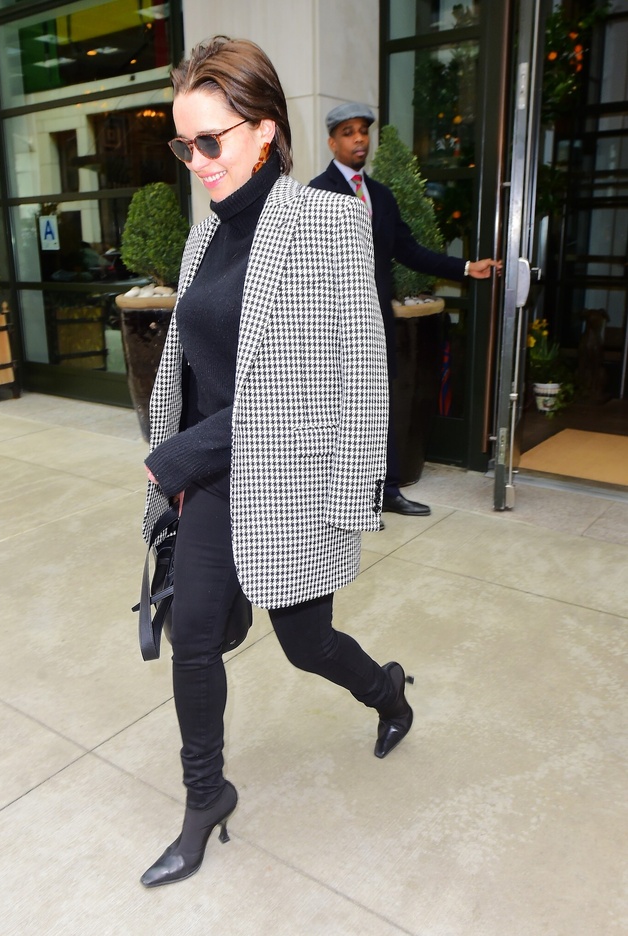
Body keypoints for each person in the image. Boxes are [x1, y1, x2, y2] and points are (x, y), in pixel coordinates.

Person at [139, 37, 413, 888]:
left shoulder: (329, 226)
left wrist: (176, 456)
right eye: (184, 146)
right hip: (213, 485)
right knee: (193, 640)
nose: (198, 163)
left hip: (290, 486)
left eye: (210, 140)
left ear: (264, 130)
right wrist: (178, 459)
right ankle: (205, 796)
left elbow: (349, 379)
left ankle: (387, 692)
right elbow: (196, 369)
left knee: (307, 644)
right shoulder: (202, 237)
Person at [309, 104, 501, 520]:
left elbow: (409, 251)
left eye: (363, 131)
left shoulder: (380, 195)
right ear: (332, 142)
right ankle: (331, 495)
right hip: (331, 324)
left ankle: (388, 490)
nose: (359, 139)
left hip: (377, 321)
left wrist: (466, 267)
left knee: (380, 406)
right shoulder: (315, 193)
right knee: (334, 409)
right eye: (348, 132)